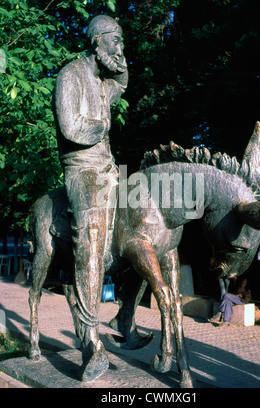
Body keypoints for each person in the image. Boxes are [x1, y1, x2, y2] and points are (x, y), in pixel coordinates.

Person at [53, 15, 128, 381]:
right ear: (96, 41)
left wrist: (121, 61)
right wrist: (101, 126)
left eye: (123, 43)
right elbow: (69, 126)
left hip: (109, 169)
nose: (120, 49)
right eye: (115, 42)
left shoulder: (102, 80)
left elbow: (122, 84)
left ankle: (125, 317)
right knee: (91, 239)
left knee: (147, 223)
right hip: (81, 169)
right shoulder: (71, 75)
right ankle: (89, 338)